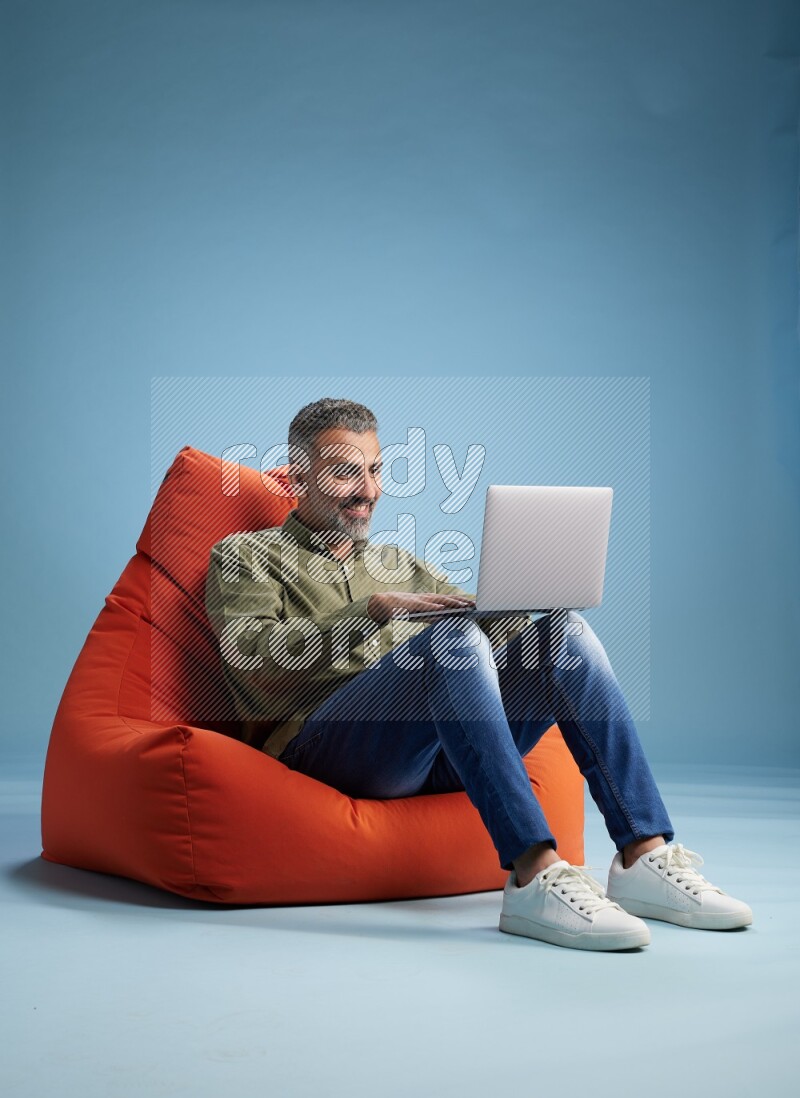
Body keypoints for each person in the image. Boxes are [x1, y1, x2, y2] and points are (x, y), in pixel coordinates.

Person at [205, 397, 753, 951]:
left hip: (437, 753)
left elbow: (495, 635)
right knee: (451, 642)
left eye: (374, 470)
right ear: (299, 473)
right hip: (325, 752)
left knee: (564, 637)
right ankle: (533, 872)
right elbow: (253, 658)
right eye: (346, 472)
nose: (368, 491)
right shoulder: (247, 555)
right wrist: (369, 614)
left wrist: (520, 596)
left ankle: (644, 856)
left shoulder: (397, 563)